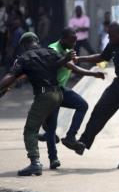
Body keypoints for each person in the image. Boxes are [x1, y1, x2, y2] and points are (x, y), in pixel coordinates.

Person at [69, 22, 119, 169]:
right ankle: (83, 143)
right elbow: (102, 57)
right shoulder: (113, 43)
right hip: (118, 84)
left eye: (111, 35)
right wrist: (80, 59)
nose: (109, 38)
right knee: (99, 111)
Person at [0, 32, 74, 176]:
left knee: (30, 129)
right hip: (58, 95)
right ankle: (49, 136)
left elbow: (11, 75)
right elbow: (61, 63)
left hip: (44, 96)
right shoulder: (50, 52)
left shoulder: (24, 57)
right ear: (37, 41)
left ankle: (35, 163)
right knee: (43, 121)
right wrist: (66, 58)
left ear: (24, 45)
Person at [37, 28, 105, 169]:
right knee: (52, 127)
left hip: (61, 89)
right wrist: (66, 59)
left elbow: (72, 66)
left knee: (82, 105)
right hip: (50, 91)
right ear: (63, 38)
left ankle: (70, 136)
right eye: (72, 41)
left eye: (76, 41)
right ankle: (53, 158)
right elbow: (53, 66)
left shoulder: (67, 50)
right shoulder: (53, 49)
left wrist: (93, 73)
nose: (74, 44)